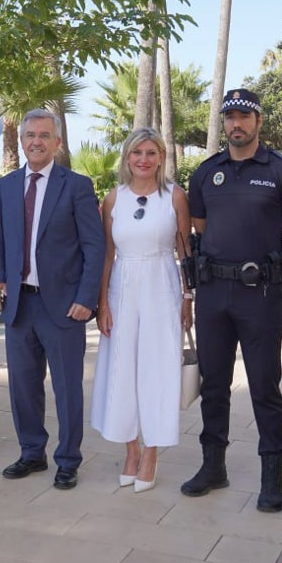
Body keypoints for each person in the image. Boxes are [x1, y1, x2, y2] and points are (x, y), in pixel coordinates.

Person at [182, 88, 282, 510]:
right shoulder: (206, 173)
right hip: (214, 293)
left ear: (258, 121)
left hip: (261, 294)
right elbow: (199, 225)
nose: (236, 123)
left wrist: (269, 267)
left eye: (244, 116)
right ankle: (212, 466)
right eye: (230, 116)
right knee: (214, 384)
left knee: (264, 387)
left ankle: (271, 476)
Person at [0, 108, 104, 490]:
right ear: (21, 141)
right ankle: (31, 452)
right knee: (23, 385)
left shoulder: (77, 186)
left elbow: (94, 246)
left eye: (44, 135)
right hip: (20, 304)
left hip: (64, 307)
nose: (36, 141)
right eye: (29, 136)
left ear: (57, 142)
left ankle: (68, 459)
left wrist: (87, 298)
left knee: (67, 387)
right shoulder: (5, 187)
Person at [91, 127, 192, 492]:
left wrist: (187, 298)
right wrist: (102, 303)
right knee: (122, 370)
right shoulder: (113, 199)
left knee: (157, 369)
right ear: (127, 157)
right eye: (137, 153)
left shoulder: (175, 197)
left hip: (161, 285)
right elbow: (107, 254)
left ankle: (151, 450)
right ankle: (130, 448)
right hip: (122, 287)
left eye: (151, 153)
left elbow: (185, 253)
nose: (144, 160)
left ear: (161, 157)